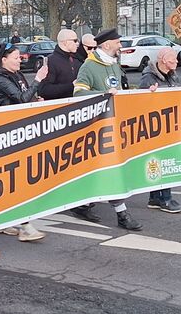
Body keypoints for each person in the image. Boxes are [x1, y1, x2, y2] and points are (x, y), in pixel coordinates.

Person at [73, 28, 143, 231]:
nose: (121, 45)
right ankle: (122, 213)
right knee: (111, 169)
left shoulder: (113, 64)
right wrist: (104, 94)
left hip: (115, 124)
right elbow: (78, 93)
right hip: (98, 126)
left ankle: (83, 203)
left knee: (102, 170)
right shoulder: (89, 66)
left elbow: (119, 91)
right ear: (106, 45)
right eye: (118, 42)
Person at [0, 43, 48, 242]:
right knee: (16, 181)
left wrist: (36, 100)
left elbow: (27, 98)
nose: (19, 60)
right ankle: (24, 226)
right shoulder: (2, 79)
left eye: (19, 56)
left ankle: (3, 221)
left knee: (13, 182)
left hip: (20, 131)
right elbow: (21, 99)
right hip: (7, 133)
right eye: (15, 57)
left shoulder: (17, 76)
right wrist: (38, 80)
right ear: (4, 59)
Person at [138, 48, 181, 214]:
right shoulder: (148, 78)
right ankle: (165, 198)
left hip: (168, 125)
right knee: (164, 160)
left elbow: (172, 95)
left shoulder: (172, 75)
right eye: (173, 60)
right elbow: (141, 101)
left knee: (162, 159)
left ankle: (155, 197)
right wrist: (149, 94)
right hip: (156, 127)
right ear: (164, 61)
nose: (177, 62)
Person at [39, 29, 83, 100]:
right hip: (59, 107)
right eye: (75, 41)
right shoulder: (51, 61)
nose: (77, 43)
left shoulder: (76, 59)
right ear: (65, 42)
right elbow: (44, 90)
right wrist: (71, 86)